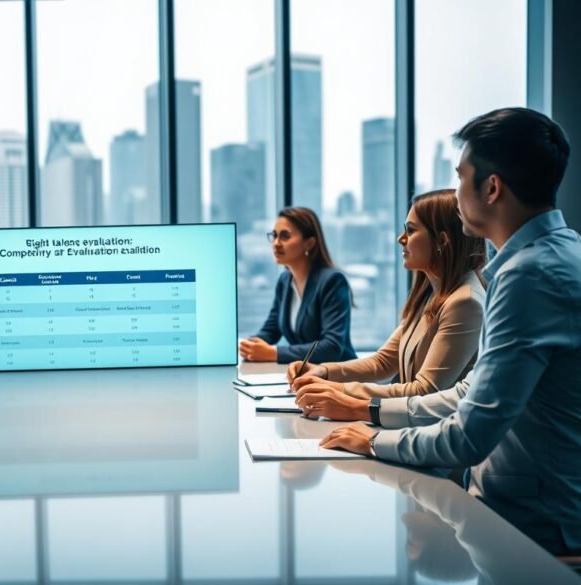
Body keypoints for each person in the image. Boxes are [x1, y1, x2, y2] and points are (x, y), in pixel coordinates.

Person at [297, 107, 581, 555]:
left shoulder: (531, 275)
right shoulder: (545, 258)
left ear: (491, 188)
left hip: (535, 531)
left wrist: (373, 440)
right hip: (521, 514)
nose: (455, 192)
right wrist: (369, 414)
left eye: (460, 177)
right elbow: (469, 391)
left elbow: (471, 432)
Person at [288, 190, 486, 398]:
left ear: (442, 240)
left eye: (410, 230)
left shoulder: (464, 303)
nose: (401, 239)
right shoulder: (431, 292)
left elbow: (424, 390)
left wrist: (336, 389)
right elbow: (382, 362)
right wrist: (324, 372)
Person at [239, 207, 357, 364]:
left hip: (339, 378)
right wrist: (250, 345)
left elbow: (332, 347)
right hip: (307, 377)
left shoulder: (332, 281)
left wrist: (273, 353)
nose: (276, 243)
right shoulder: (285, 281)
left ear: (309, 244)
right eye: (274, 236)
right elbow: (271, 330)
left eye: (285, 236)